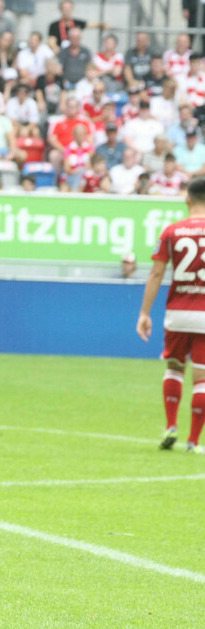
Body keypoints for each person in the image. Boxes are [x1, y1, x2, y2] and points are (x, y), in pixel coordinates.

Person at [137, 177, 205, 451]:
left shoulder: (171, 231)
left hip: (177, 312)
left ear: (187, 199)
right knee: (202, 378)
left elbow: (156, 273)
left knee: (175, 368)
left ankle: (171, 426)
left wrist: (145, 312)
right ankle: (193, 441)